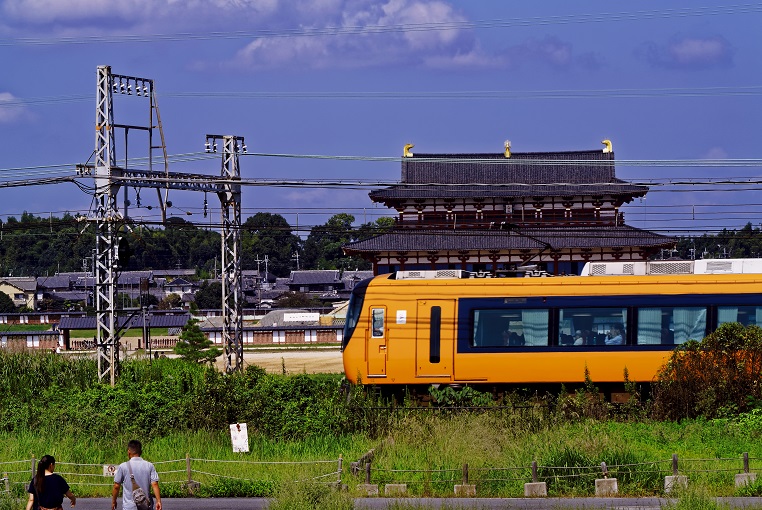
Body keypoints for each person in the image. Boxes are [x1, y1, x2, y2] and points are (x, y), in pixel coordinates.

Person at [112, 440, 162, 510]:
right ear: (141, 452)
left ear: (128, 452)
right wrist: (158, 501)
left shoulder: (123, 466)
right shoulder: (149, 465)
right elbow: (155, 484)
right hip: (146, 506)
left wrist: (114, 501)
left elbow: (116, 486)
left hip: (129, 507)